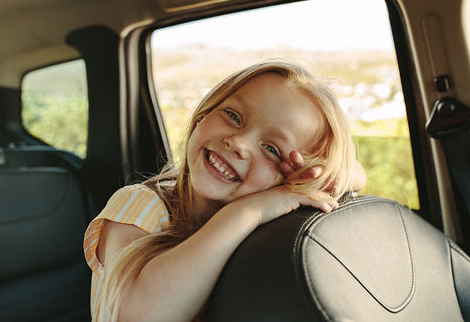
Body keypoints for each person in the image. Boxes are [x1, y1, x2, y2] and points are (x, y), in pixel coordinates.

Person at [84, 61, 367, 321]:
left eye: (271, 149)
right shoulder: (140, 205)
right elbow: (143, 314)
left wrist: (320, 176)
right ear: (204, 113)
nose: (239, 143)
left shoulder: (271, 225)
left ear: (290, 177)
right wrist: (247, 211)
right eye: (233, 116)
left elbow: (355, 173)